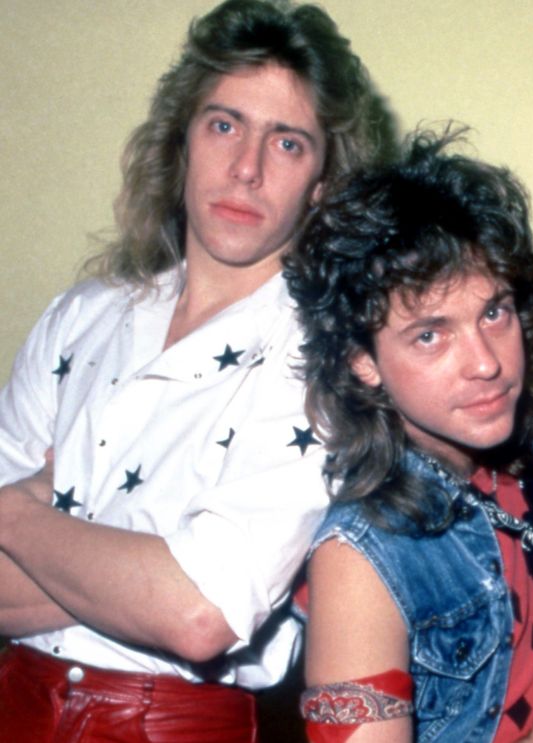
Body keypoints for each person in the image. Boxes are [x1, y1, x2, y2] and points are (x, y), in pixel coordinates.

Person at [0, 1, 382, 739]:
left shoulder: (328, 356)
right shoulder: (82, 316)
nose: (246, 168)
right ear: (183, 139)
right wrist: (140, 569)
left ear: (324, 183)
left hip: (173, 725)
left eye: (289, 143)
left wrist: (17, 515)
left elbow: (199, 612)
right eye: (224, 124)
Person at [287, 128, 533, 743]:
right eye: (430, 335)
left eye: (493, 313)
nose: (486, 363)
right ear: (363, 360)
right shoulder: (359, 562)